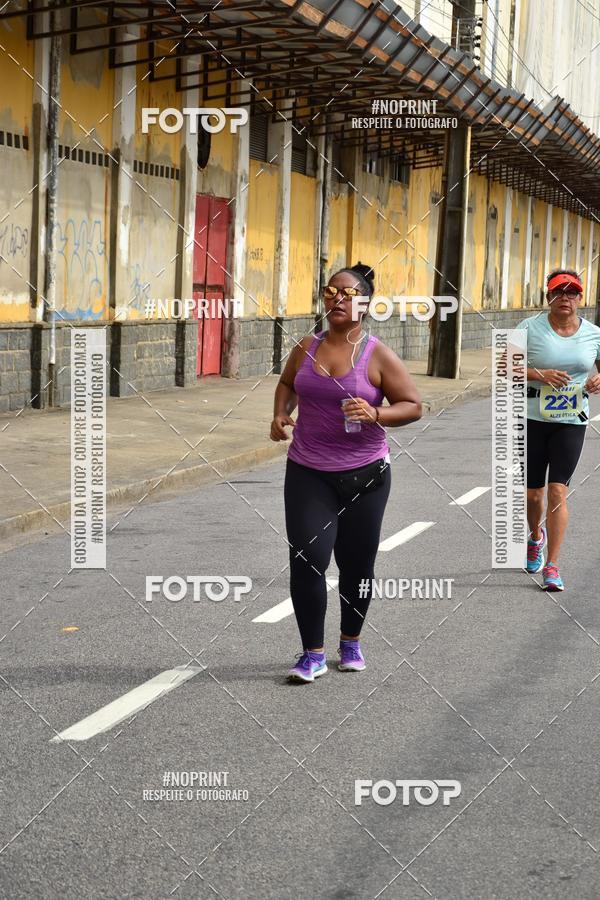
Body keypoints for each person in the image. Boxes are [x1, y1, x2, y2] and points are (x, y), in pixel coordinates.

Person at [270, 262, 423, 682]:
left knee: (356, 564)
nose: (338, 299)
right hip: (308, 471)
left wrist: (376, 412)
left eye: (348, 293)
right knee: (308, 559)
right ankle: (312, 654)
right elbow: (287, 384)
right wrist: (281, 414)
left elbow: (413, 405)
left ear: (365, 304)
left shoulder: (378, 355)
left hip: (365, 475)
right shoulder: (305, 346)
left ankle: (350, 640)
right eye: (330, 292)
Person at [517, 268, 600, 591]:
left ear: (581, 298)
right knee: (533, 493)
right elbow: (503, 366)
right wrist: (538, 374)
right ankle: (535, 536)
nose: (565, 297)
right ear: (548, 296)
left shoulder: (593, 333)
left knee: (557, 490)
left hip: (571, 420)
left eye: (572, 292)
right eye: (559, 291)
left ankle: (552, 565)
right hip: (533, 418)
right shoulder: (529, 328)